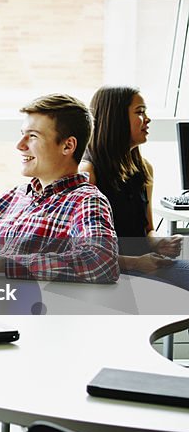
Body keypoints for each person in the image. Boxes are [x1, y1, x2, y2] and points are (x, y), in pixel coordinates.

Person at [0, 93, 120, 284]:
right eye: (22, 135)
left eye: (33, 136)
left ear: (68, 146)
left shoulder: (86, 200)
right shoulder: (14, 196)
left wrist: (3, 263)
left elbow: (102, 262)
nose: (20, 145)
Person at [82, 85, 188, 289]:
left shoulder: (144, 168)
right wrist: (138, 263)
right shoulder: (88, 173)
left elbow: (147, 229)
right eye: (140, 112)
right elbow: (85, 253)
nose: (147, 119)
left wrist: (159, 242)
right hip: (120, 270)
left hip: (148, 263)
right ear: (116, 119)